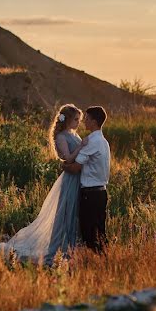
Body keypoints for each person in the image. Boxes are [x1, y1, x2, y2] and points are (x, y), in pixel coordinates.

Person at [0, 104, 85, 264]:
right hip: (70, 180)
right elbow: (67, 158)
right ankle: (61, 248)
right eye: (76, 119)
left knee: (76, 212)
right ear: (67, 120)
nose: (78, 123)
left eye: (79, 120)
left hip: (78, 178)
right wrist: (82, 147)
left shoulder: (74, 134)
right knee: (66, 212)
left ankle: (75, 246)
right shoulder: (61, 137)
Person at [63, 105, 111, 252]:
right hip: (101, 193)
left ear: (94, 122)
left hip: (90, 194)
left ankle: (92, 262)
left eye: (87, 119)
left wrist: (63, 166)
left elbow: (76, 167)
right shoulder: (104, 142)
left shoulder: (91, 141)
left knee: (88, 232)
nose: (84, 122)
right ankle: (104, 261)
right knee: (100, 231)